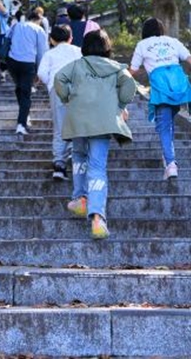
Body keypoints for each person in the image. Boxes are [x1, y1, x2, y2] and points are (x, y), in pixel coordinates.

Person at [55, 30, 137, 239]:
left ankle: (81, 198)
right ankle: (98, 216)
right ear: (107, 47)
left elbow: (59, 79)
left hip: (79, 120)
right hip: (103, 122)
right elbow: (129, 84)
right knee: (98, 166)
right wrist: (120, 104)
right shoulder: (116, 68)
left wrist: (67, 98)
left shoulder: (76, 65)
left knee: (79, 156)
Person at [129, 17, 191, 181]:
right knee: (168, 124)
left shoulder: (142, 45)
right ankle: (167, 156)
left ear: (144, 32)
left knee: (163, 127)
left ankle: (170, 163)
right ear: (161, 30)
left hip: (161, 89)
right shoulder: (172, 41)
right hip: (178, 86)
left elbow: (132, 70)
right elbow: (190, 59)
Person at [37, 24, 82, 179]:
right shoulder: (78, 51)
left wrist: (50, 83)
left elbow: (41, 73)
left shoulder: (50, 54)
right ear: (71, 38)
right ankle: (76, 157)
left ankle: (59, 165)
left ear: (52, 40)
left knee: (59, 126)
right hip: (77, 89)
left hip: (57, 88)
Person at [5, 9, 48, 135]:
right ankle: (21, 124)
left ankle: (24, 115)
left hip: (12, 62)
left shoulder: (16, 25)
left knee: (19, 88)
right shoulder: (39, 30)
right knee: (25, 92)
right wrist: (40, 71)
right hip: (28, 63)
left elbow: (7, 39)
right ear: (38, 19)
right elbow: (41, 52)